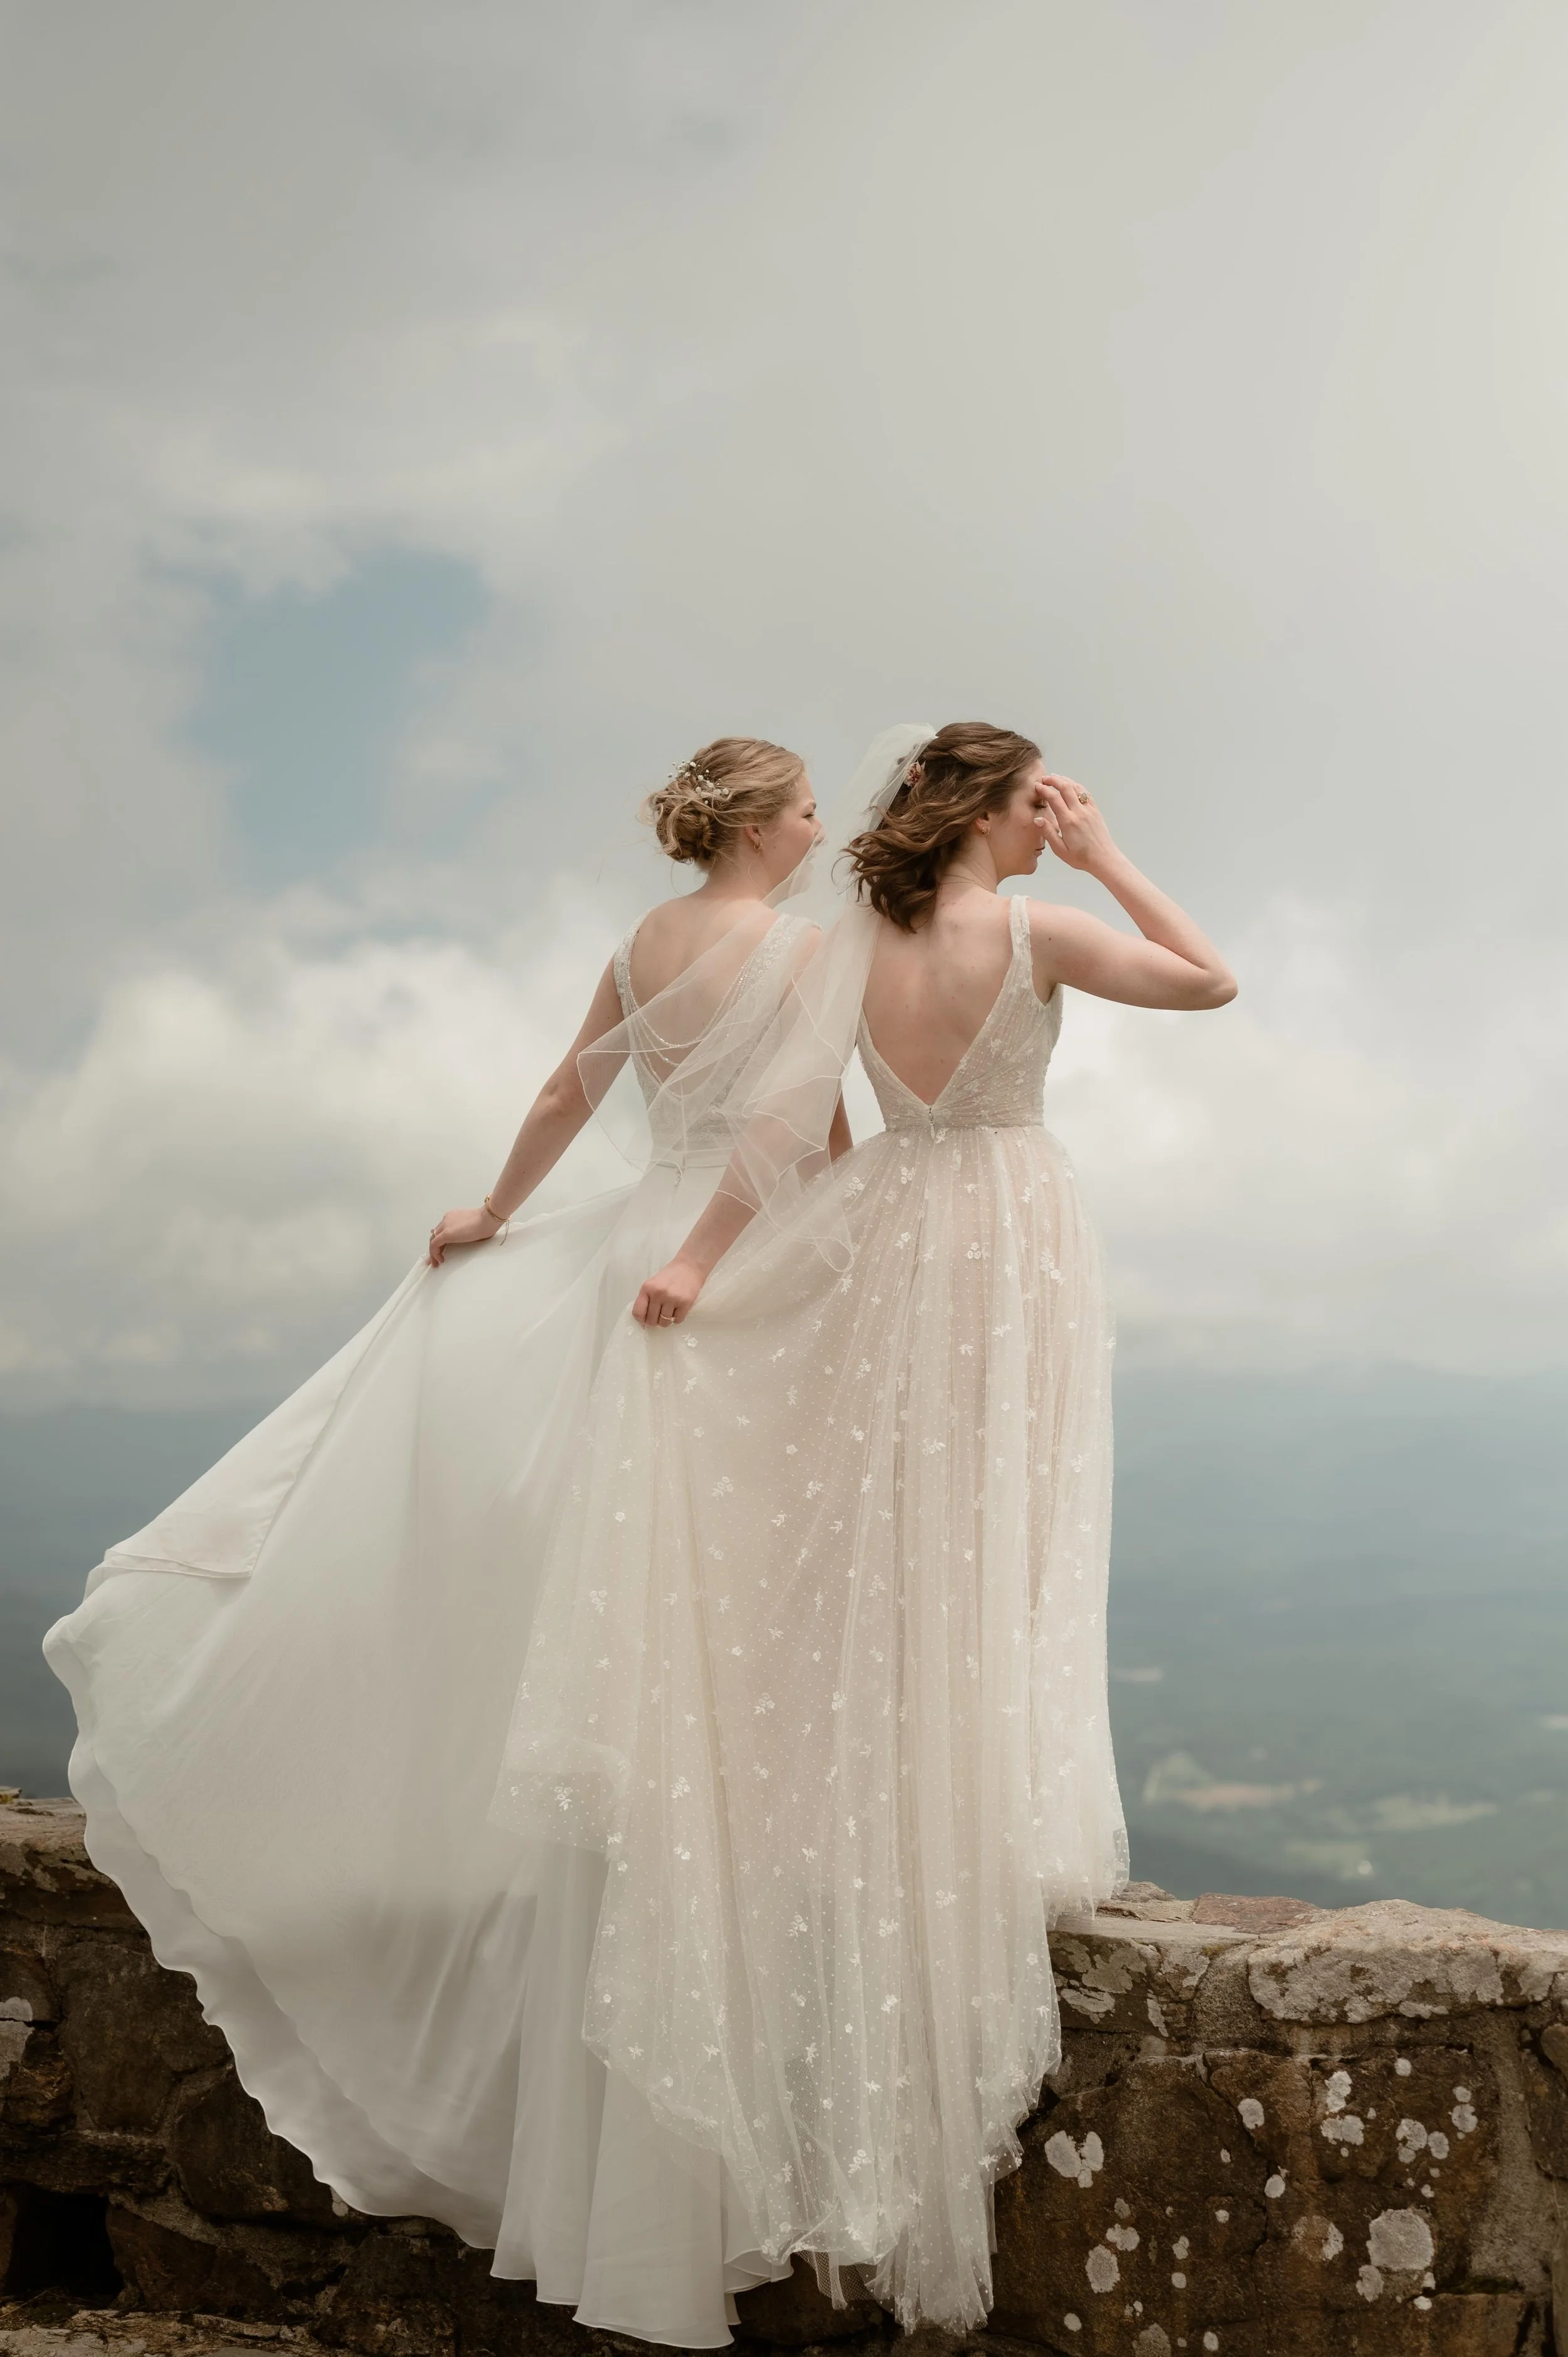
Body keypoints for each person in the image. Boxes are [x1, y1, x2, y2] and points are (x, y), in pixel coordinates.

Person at [44, 738, 837, 2349]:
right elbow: (792, 1139)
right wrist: (795, 1264)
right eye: (810, 805)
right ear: (761, 823)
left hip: (608, 1259)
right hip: (715, 1273)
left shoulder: (642, 941)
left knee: (575, 1617)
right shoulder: (807, 951)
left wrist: (491, 1208)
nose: (824, 827)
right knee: (697, 1622)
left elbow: (568, 1089)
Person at [497, 721, 1237, 2335]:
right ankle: (972, 1815)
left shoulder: (852, 941)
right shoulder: (1029, 925)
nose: (1051, 816)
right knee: (993, 1534)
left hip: (896, 1223)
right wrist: (1105, 848)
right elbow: (1208, 980)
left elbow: (774, 1127)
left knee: (901, 1527)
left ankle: (905, 1806)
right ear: (987, 806)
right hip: (1012, 1234)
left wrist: (698, 1260)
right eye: (1034, 794)